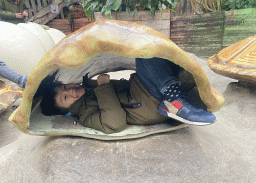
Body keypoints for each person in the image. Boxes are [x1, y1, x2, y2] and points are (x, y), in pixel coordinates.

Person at [40, 58, 216, 134]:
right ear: (66, 112)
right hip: (148, 104)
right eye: (65, 98)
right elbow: (114, 123)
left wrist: (96, 85)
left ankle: (179, 82)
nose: (70, 91)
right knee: (144, 54)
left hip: (144, 91)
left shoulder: (87, 89)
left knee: (158, 54)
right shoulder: (85, 114)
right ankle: (174, 100)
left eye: (65, 86)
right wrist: (103, 87)